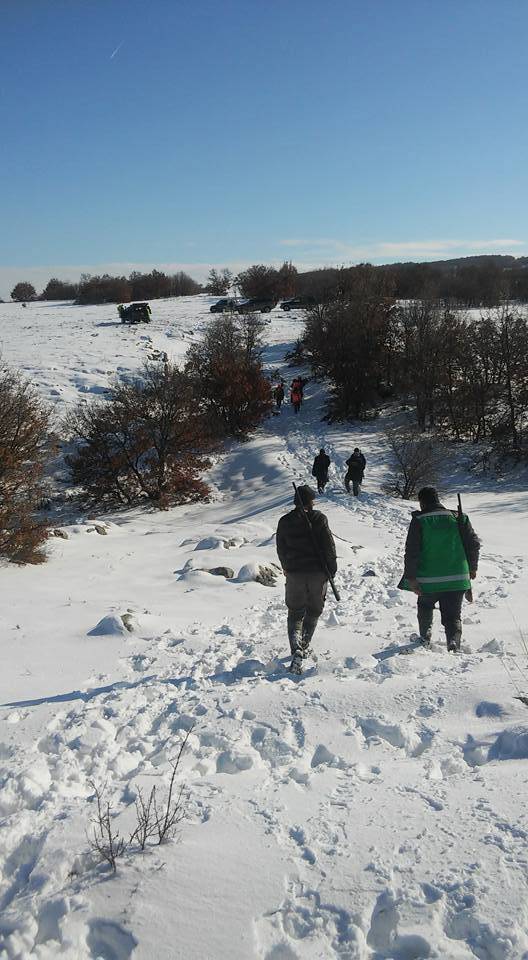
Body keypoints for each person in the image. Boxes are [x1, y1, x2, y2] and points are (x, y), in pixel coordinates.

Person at [400, 486, 480, 652]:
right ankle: (453, 640)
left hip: (429, 580)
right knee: (453, 614)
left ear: (422, 502)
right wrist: (472, 568)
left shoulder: (420, 520)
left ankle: (425, 635)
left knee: (425, 606)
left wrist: (412, 578)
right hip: (458, 578)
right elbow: (473, 544)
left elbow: (412, 550)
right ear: (437, 499)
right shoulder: (459, 517)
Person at [276, 485, 337, 673]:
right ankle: (304, 644)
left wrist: (286, 567)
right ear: (311, 501)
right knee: (314, 610)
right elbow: (329, 546)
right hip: (318, 573)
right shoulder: (319, 518)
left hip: (294, 573)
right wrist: (331, 571)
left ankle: (296, 649)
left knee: (295, 612)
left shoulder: (285, 521)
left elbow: (281, 548)